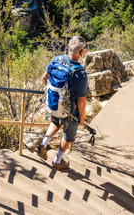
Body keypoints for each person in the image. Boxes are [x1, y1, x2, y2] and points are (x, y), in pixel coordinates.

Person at [36, 35, 89, 171]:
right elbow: (81, 99)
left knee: (55, 122)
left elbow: (44, 77)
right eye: (86, 49)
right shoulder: (80, 73)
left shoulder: (57, 60)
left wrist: (54, 94)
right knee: (68, 135)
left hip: (53, 104)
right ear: (81, 52)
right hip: (69, 111)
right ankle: (57, 161)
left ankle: (43, 144)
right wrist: (81, 119)